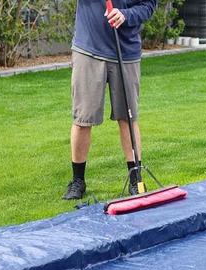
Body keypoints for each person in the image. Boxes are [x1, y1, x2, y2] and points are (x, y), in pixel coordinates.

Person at [63, 0, 157, 200]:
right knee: (83, 118)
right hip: (88, 49)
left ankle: (135, 178)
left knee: (128, 117)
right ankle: (77, 180)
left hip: (126, 51)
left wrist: (125, 15)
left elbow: (148, 6)